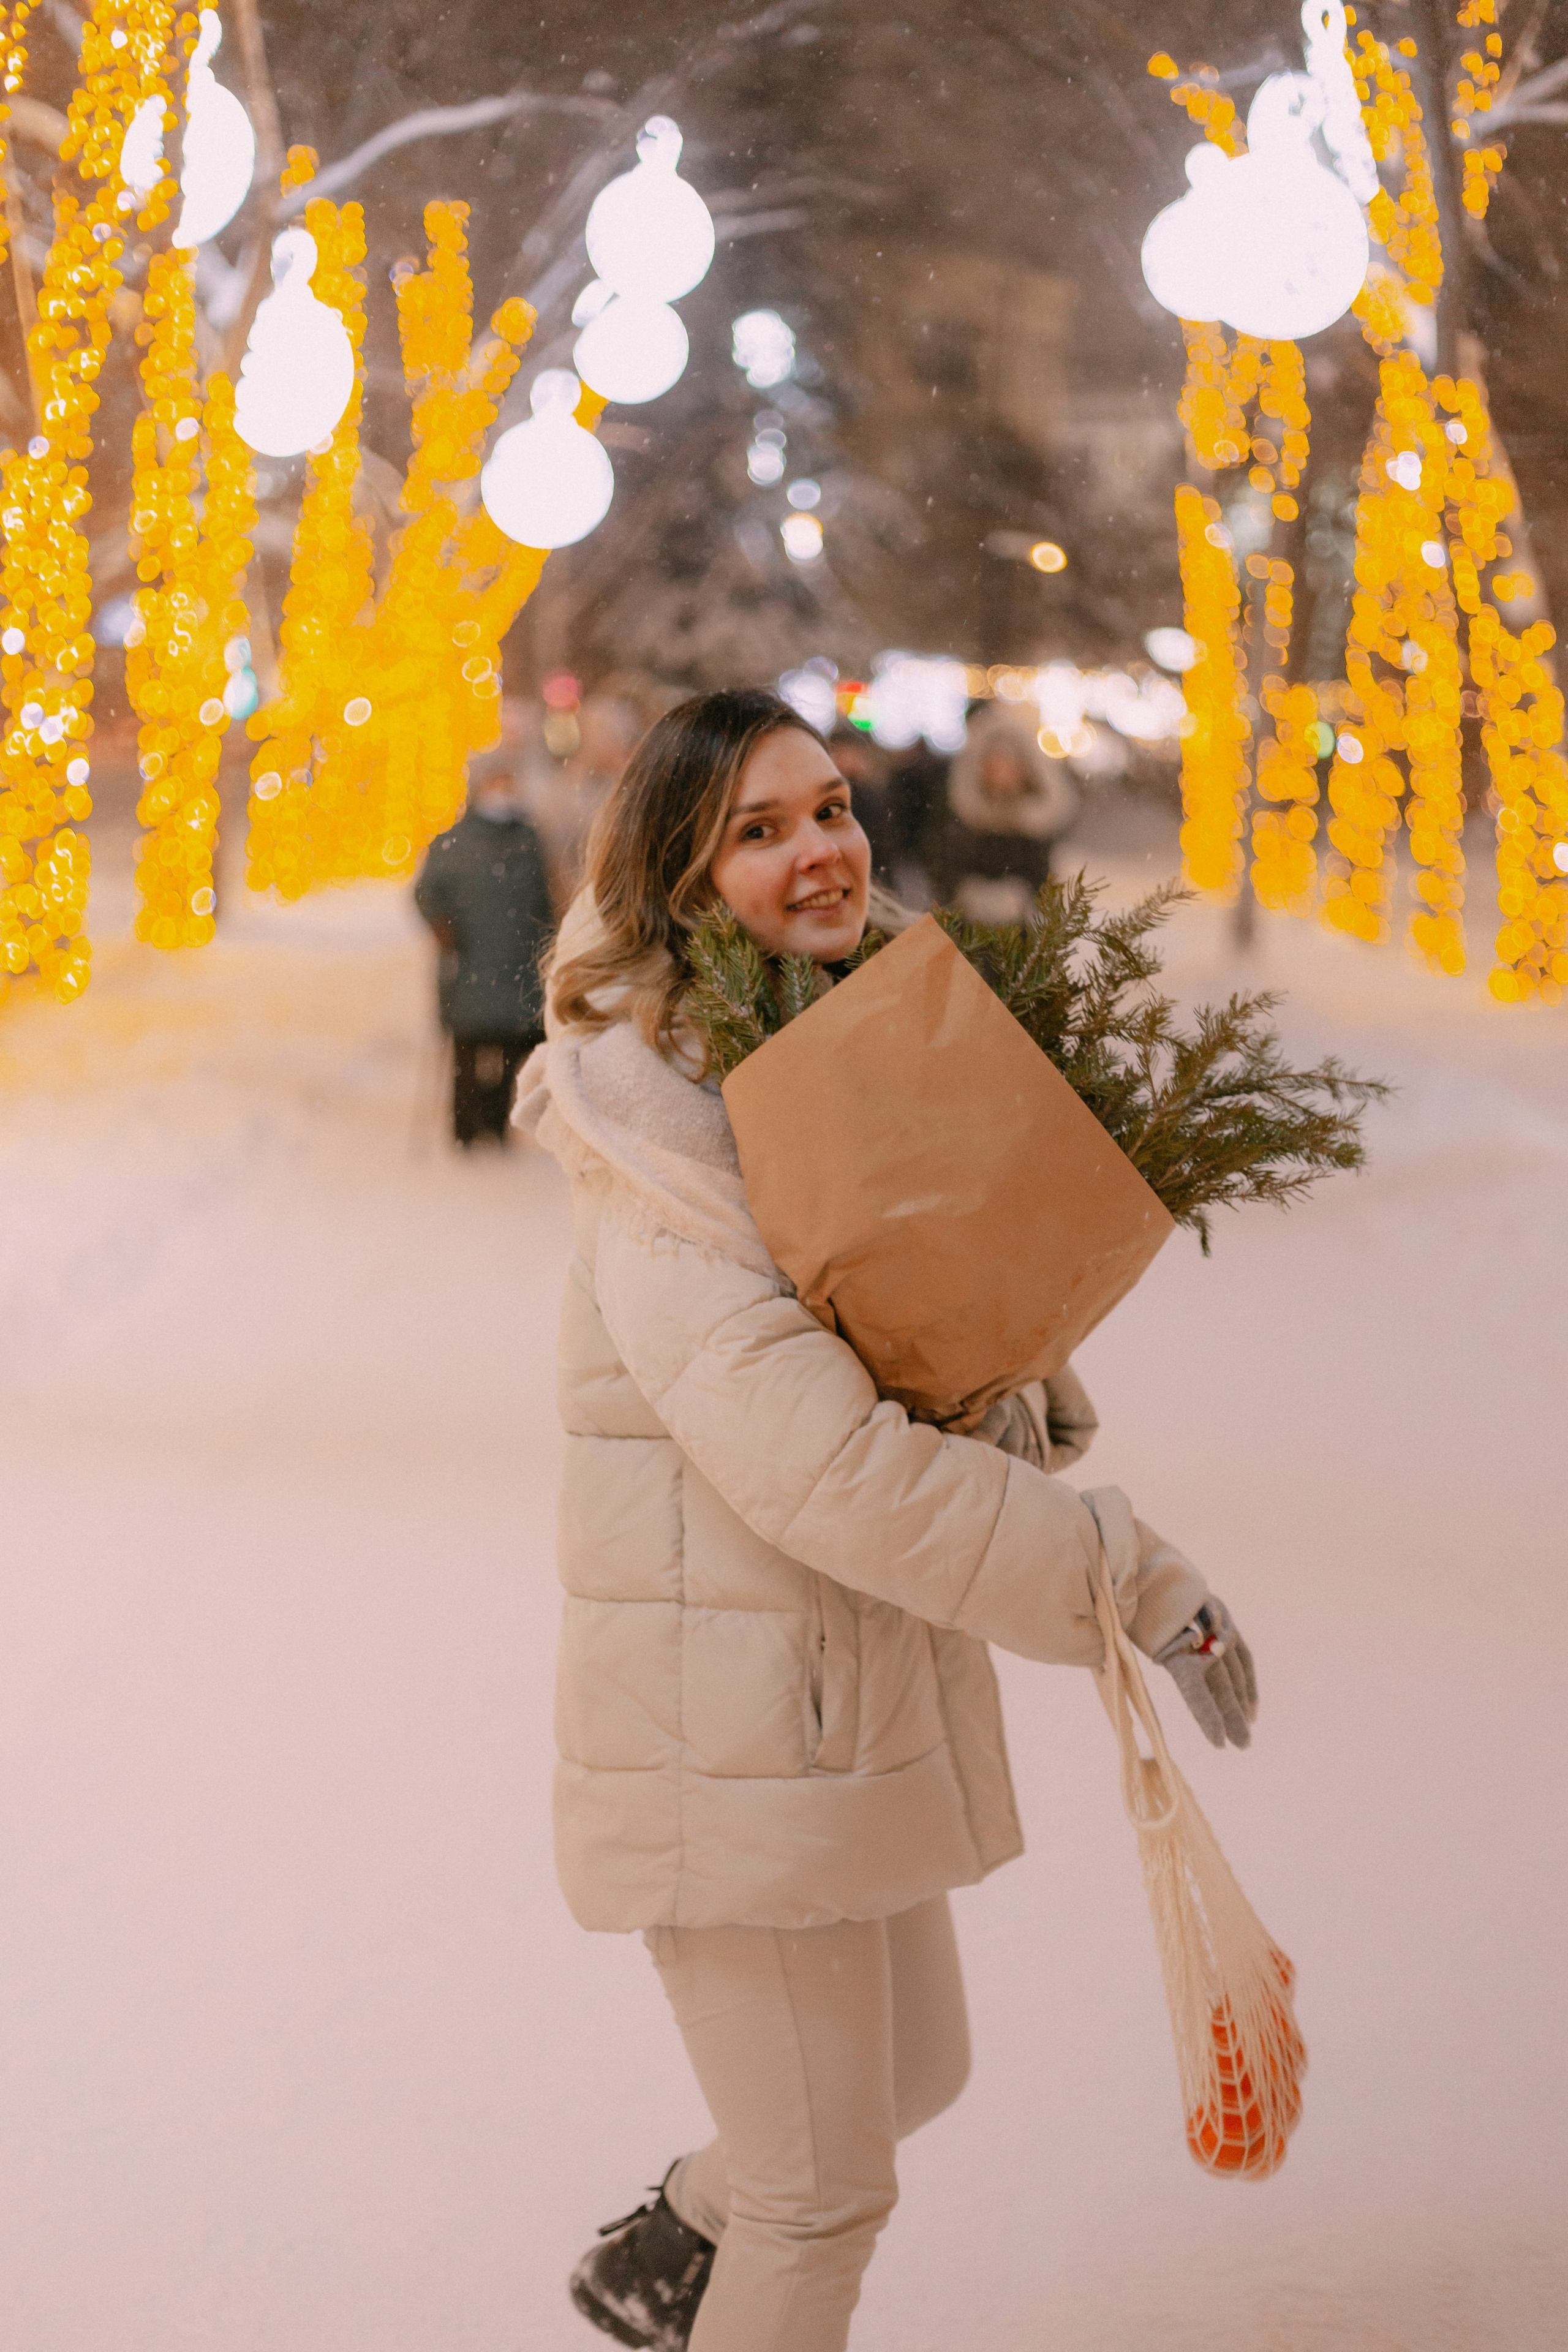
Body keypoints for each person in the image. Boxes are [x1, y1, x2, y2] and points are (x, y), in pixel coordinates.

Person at [515, 690, 1257, 2352]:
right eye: (757, 831)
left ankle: (670, 2247)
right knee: (819, 2193)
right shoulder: (664, 1146)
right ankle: (719, 2246)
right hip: (730, 1730)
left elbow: (908, 1341)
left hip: (830, 1703)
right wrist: (1123, 1574)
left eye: (830, 808)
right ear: (679, 880)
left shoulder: (860, 1050)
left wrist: (1009, 1344)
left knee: (921, 2066)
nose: (819, 851)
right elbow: (828, 1467)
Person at [412, 762, 554, 1146]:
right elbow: (425, 893)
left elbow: (545, 900)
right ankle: (466, 1128)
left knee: (511, 1050)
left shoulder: (528, 841)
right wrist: (442, 927)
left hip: (518, 965)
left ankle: (496, 1125)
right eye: (496, 783)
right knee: (468, 1050)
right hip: (470, 962)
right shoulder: (454, 842)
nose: (503, 792)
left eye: (508, 783)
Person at [931, 705, 1079, 923]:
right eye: (994, 765)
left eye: (1008, 765)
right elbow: (944, 871)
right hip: (965, 927)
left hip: (1022, 928)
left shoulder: (1036, 825)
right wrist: (970, 896)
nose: (1001, 773)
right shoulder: (963, 819)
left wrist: (1017, 900)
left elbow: (1044, 884)